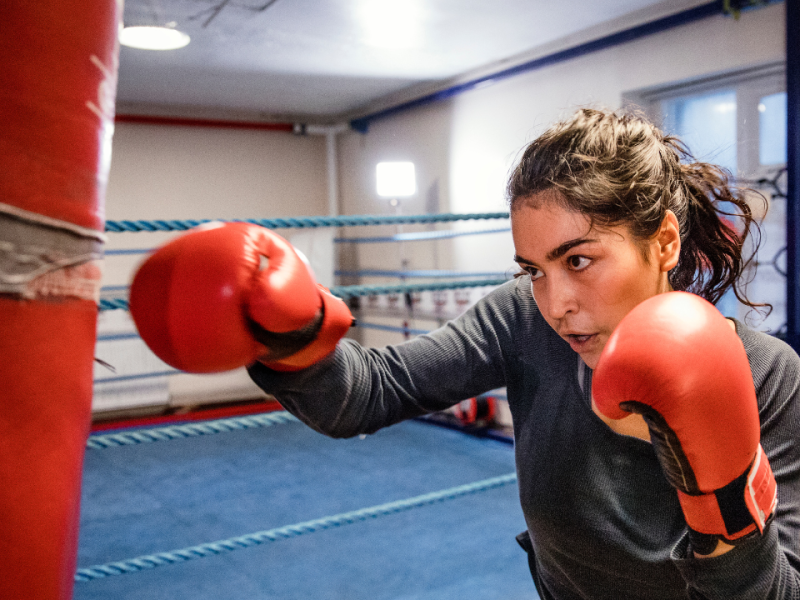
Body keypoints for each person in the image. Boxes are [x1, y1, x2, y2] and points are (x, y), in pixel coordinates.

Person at [130, 108, 800, 599]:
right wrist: (294, 335)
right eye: (534, 269)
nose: (555, 302)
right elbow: (367, 394)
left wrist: (727, 509)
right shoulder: (524, 319)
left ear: (665, 243)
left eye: (579, 260)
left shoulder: (768, 375)